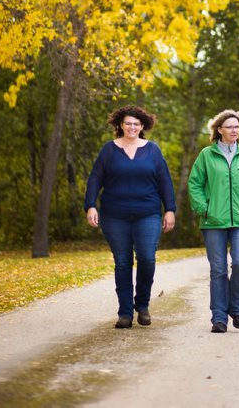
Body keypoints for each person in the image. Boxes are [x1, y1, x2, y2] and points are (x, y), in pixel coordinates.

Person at [84, 105, 176, 329]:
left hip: (148, 213)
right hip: (115, 215)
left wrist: (170, 209)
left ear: (142, 126)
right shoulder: (109, 150)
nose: (132, 127)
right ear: (120, 126)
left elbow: (165, 181)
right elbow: (95, 178)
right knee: (123, 262)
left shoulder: (153, 151)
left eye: (136, 124)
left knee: (147, 258)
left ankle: (142, 305)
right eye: (128, 123)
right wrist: (90, 206)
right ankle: (125, 312)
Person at [188, 109, 239, 333]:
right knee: (218, 270)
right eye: (229, 126)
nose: (234, 129)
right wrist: (204, 208)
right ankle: (219, 318)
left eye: (237, 126)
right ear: (219, 130)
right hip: (213, 221)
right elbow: (195, 184)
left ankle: (237, 310)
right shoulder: (206, 156)